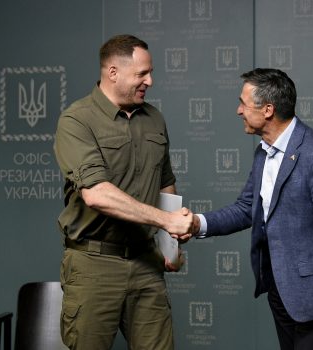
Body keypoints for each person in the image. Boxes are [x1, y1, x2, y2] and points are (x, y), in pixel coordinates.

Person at [182, 68, 313, 349]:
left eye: (243, 103)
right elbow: (247, 208)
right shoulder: (263, 151)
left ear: (268, 109)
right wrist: (197, 223)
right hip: (281, 291)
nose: (238, 110)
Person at [53, 34, 193, 350]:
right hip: (94, 264)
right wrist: (166, 221)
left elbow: (164, 184)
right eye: (142, 74)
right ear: (113, 72)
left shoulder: (155, 119)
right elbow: (97, 194)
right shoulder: (77, 120)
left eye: (150, 72)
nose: (150, 81)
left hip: (146, 263)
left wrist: (169, 248)